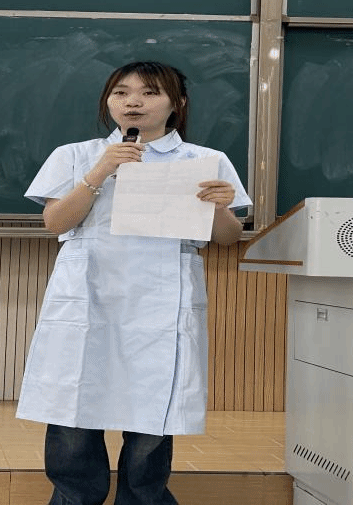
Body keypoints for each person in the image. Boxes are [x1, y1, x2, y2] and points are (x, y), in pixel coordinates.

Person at [17, 61, 252, 504]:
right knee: (73, 411)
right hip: (89, 295)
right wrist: (98, 173)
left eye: (149, 92)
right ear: (108, 102)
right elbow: (55, 222)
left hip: (162, 303)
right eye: (121, 92)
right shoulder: (77, 154)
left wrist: (220, 207)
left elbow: (227, 238)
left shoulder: (203, 160)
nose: (133, 102)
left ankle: (143, 499)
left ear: (177, 104)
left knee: (151, 418)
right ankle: (73, 499)